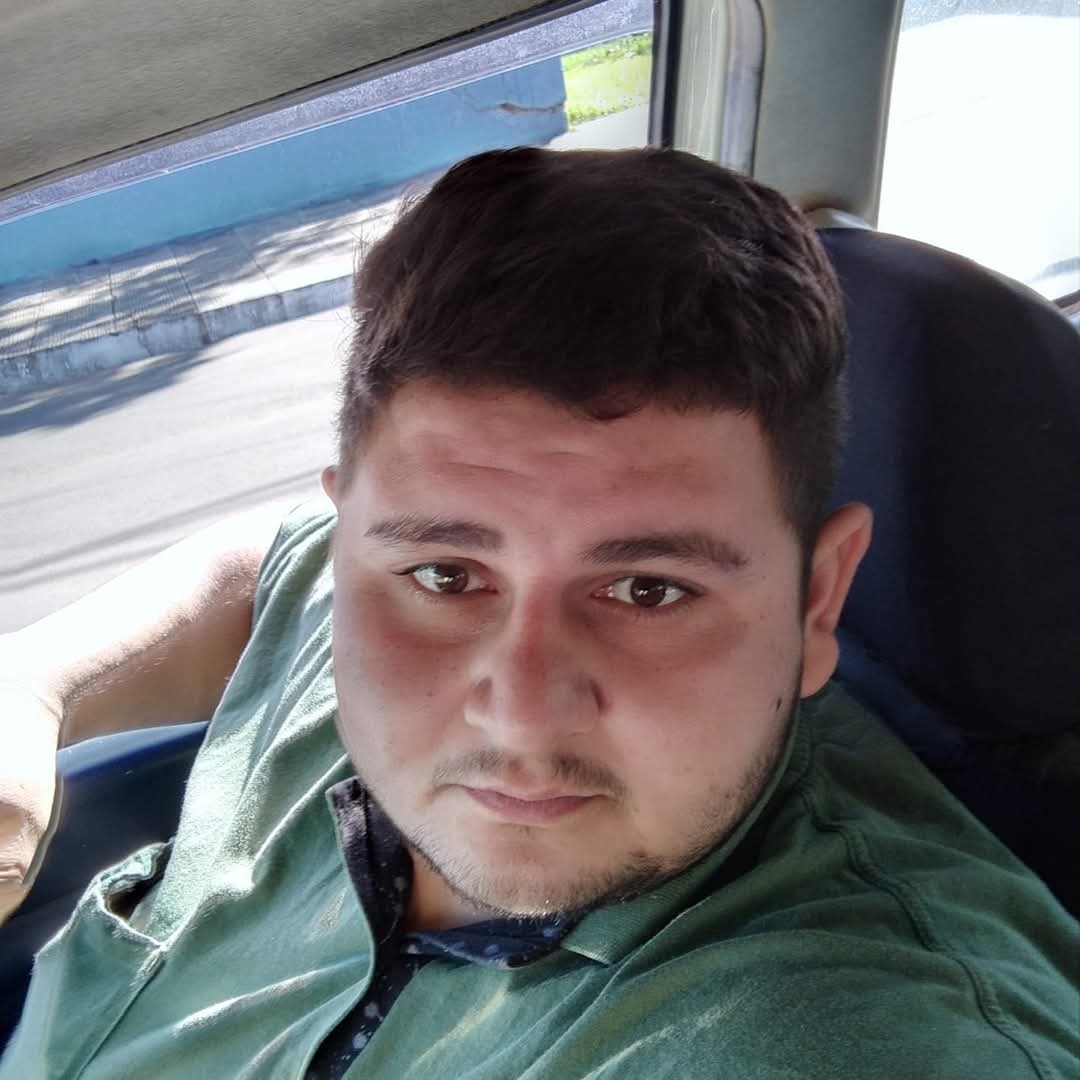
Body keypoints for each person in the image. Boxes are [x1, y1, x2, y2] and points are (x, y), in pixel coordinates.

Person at [0, 148, 1075, 1079]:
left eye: (648, 590)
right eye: (447, 575)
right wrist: (31, 685)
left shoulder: (860, 1032)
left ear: (816, 599)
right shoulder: (353, 600)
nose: (517, 713)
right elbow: (266, 564)